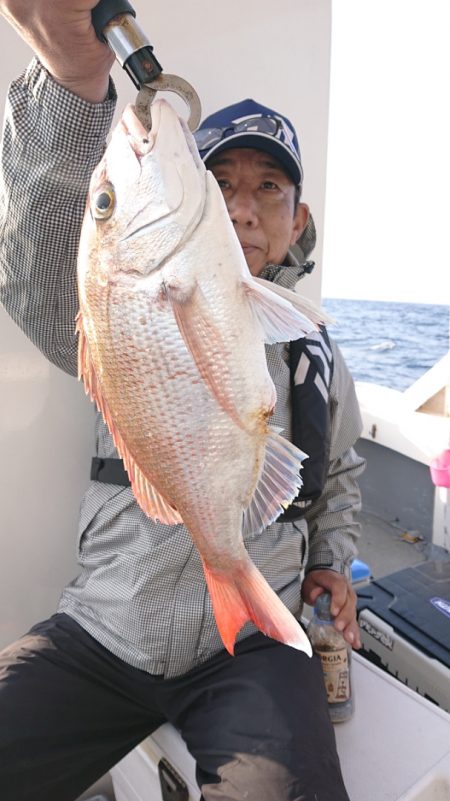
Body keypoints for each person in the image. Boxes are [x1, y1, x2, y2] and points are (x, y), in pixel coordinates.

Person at [0, 4, 365, 801]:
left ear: (298, 218)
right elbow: (32, 275)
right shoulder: (123, 296)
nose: (242, 206)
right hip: (106, 624)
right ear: (193, 189)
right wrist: (71, 84)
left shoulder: (315, 352)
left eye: (268, 188)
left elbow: (339, 475)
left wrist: (331, 563)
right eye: (221, 181)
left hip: (255, 649)